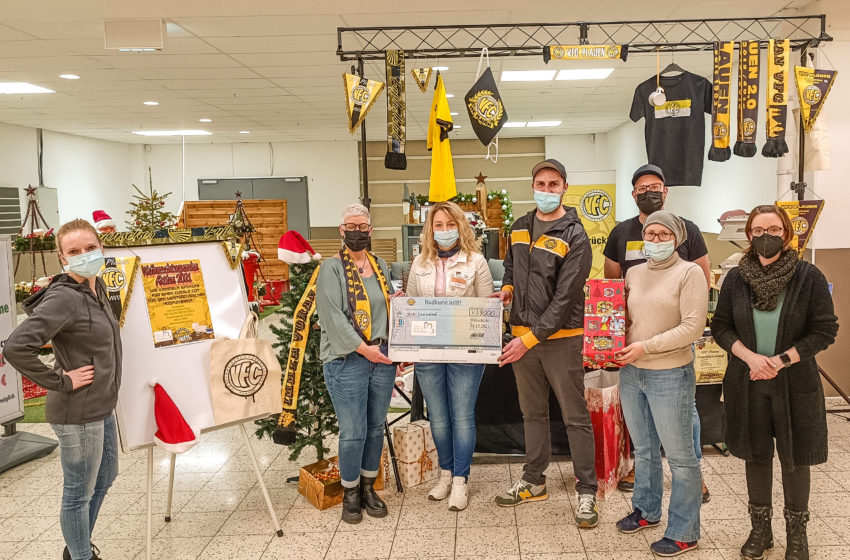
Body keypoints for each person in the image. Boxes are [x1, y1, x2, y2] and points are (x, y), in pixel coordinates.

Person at [711, 205, 838, 560]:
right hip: (747, 379)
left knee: (795, 457)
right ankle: (760, 530)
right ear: (749, 234)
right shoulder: (735, 277)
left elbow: (825, 330)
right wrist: (751, 358)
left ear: (786, 233)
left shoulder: (807, 276)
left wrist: (782, 360)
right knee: (756, 455)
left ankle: (797, 535)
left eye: (774, 229)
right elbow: (721, 326)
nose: (766, 237)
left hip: (795, 382)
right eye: (758, 230)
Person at [491, 159, 599, 528]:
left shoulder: (575, 234)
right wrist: (506, 291)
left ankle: (587, 491)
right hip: (521, 335)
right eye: (541, 183)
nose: (547, 190)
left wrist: (530, 339)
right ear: (532, 185)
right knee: (531, 413)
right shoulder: (520, 226)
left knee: (574, 416)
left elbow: (566, 298)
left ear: (565, 188)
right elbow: (510, 267)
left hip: (560, 339)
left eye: (554, 184)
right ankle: (534, 480)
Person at [5, 219, 121, 560]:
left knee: (106, 476)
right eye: (74, 251)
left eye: (90, 248)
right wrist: (62, 381)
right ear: (62, 258)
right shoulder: (64, 297)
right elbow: (15, 347)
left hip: (101, 405)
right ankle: (81, 555)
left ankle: (78, 546)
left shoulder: (95, 287)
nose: (84, 255)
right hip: (77, 411)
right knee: (78, 492)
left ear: (101, 248)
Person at [603, 163, 711, 503]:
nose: (657, 239)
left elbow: (701, 284)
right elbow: (611, 293)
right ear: (633, 194)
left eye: (656, 186)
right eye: (643, 187)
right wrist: (606, 341)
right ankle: (642, 483)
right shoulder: (621, 234)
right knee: (644, 434)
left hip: (672, 359)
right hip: (633, 361)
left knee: (684, 419)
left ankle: (695, 473)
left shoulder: (689, 233)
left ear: (666, 191)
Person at [614, 211, 707, 557]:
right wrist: (607, 339)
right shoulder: (633, 272)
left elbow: (692, 328)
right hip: (631, 372)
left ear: (677, 238)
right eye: (649, 234)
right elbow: (622, 318)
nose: (654, 240)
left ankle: (684, 531)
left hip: (670, 373)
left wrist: (645, 347)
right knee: (643, 449)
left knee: (681, 457)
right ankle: (646, 510)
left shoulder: (689, 273)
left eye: (662, 234)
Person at [406, 201, 494, 511]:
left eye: (450, 224)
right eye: (438, 225)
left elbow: (486, 310)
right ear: (430, 229)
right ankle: (445, 473)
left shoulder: (476, 262)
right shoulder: (419, 263)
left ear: (461, 226)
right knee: (439, 419)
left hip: (465, 351)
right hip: (429, 350)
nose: (444, 231)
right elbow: (412, 305)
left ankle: (460, 480)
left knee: (462, 417)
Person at [316, 203, 397, 525]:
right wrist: (365, 350)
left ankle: (368, 486)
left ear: (370, 230)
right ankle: (350, 492)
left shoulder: (380, 265)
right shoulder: (331, 268)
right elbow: (332, 317)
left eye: (363, 226)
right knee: (353, 431)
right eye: (352, 226)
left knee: (376, 427)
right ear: (341, 230)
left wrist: (396, 349)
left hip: (382, 358)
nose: (358, 231)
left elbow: (390, 309)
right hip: (348, 359)